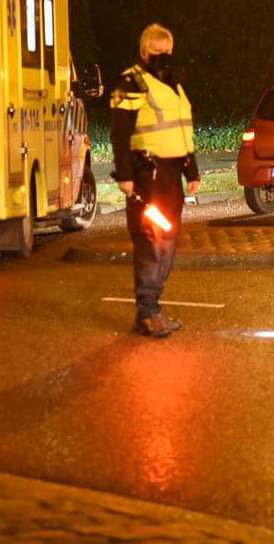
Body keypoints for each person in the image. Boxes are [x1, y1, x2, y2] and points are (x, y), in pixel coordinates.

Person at [110, 24, 200, 338]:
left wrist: (192, 171)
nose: (164, 57)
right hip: (147, 176)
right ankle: (148, 311)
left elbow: (182, 128)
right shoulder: (131, 83)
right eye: (158, 52)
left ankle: (152, 308)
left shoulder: (173, 83)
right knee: (150, 243)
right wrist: (125, 176)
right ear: (145, 52)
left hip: (171, 177)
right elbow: (120, 133)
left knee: (168, 243)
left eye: (168, 52)